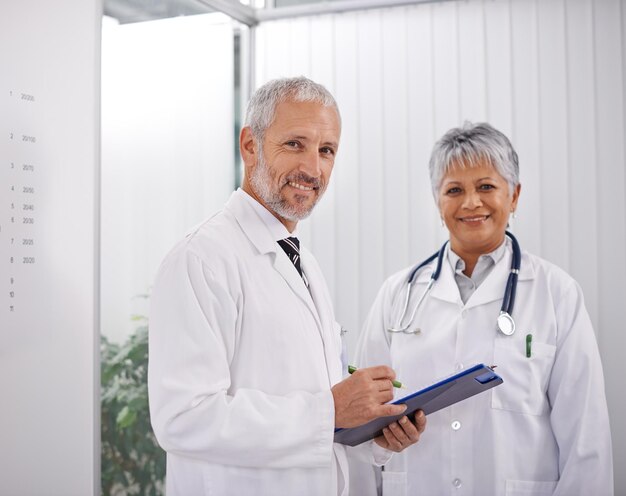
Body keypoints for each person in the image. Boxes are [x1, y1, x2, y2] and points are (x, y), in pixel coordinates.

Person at [147, 76, 426, 496]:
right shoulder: (199, 260)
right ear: (250, 145)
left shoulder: (302, 262)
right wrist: (329, 411)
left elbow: (316, 414)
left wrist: (371, 433)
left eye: (326, 150)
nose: (312, 169)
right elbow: (183, 418)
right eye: (295, 144)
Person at [352, 122, 613, 495]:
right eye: (454, 190)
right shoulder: (398, 294)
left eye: (486, 186)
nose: (471, 202)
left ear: (515, 195)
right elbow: (364, 425)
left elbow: (587, 441)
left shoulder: (557, 293)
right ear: (437, 201)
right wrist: (381, 442)